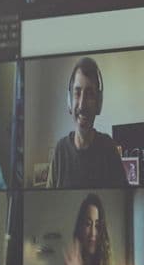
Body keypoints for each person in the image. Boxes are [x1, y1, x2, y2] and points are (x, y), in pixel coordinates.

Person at [47, 55, 128, 189]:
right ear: (69, 100)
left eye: (90, 94)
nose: (82, 104)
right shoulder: (60, 151)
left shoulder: (109, 148)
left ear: (98, 103)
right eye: (77, 93)